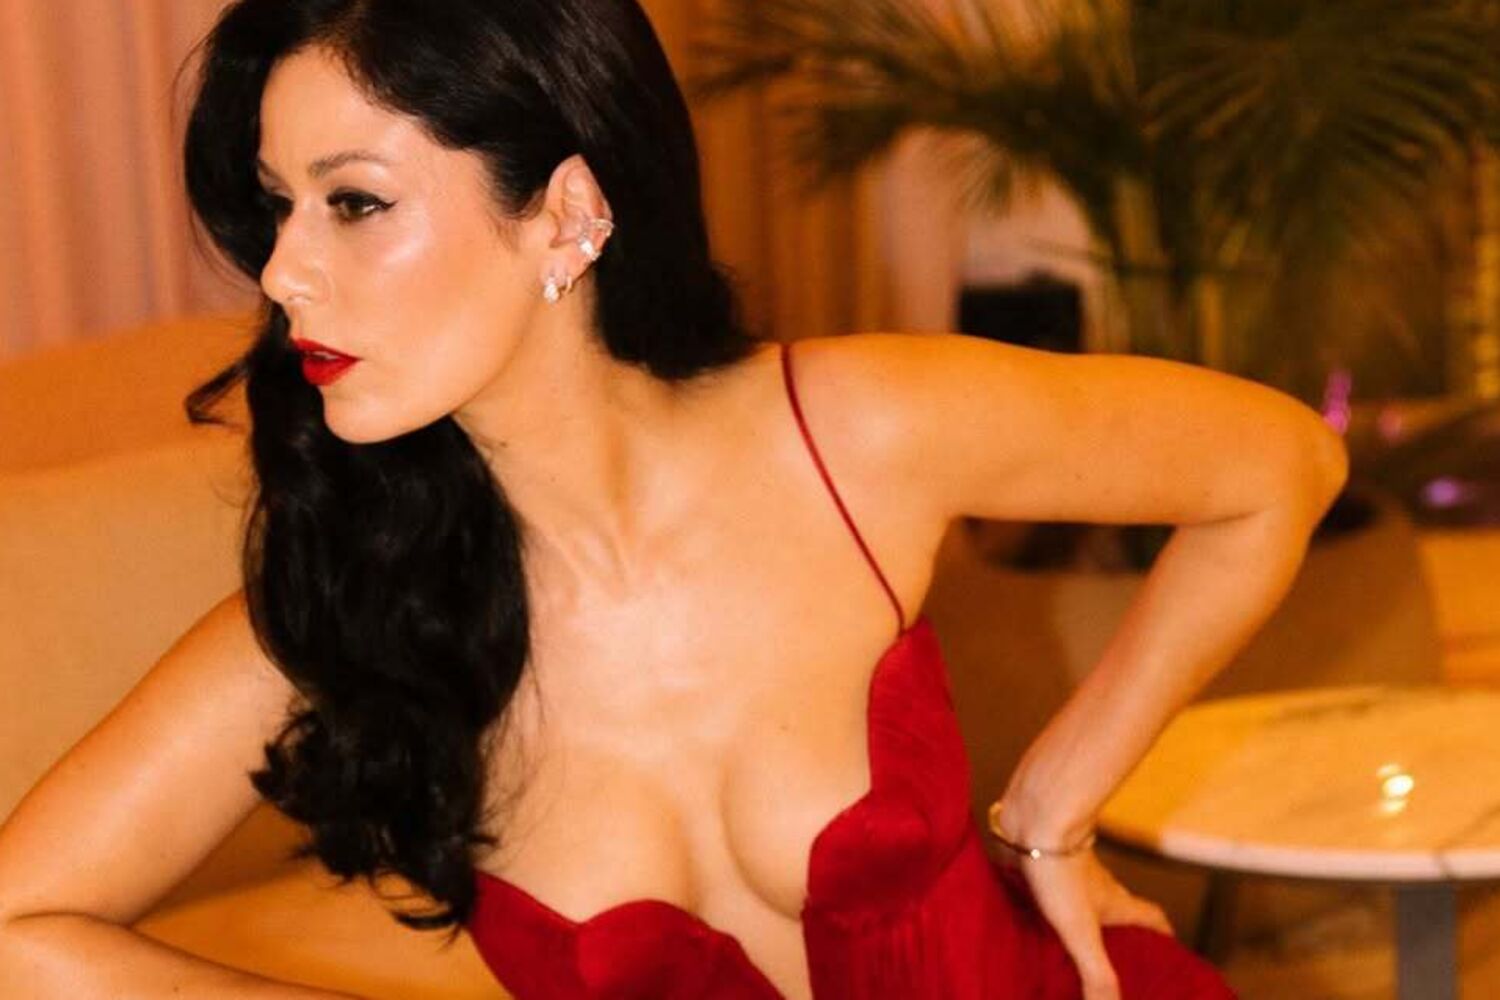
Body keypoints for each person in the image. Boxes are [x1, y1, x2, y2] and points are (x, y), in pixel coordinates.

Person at [0, 1, 1346, 997]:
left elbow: (1282, 463)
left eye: (353, 203)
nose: (283, 272)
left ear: (567, 214)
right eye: (277, 207)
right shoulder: (348, 603)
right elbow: (19, 932)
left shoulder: (850, 431)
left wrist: (1055, 803)